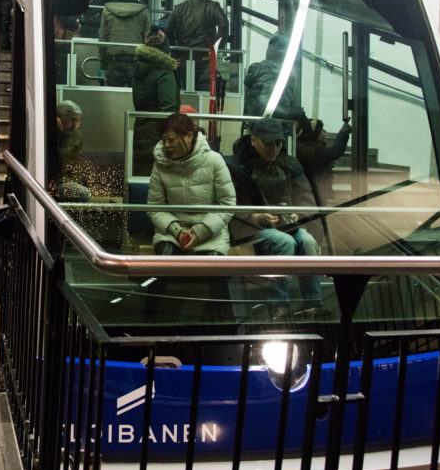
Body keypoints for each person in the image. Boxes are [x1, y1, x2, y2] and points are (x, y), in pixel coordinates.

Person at [226, 117, 321, 303]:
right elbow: (230, 203)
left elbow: (305, 196)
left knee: (307, 241)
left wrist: (298, 213)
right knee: (285, 242)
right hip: (250, 228)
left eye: (278, 143)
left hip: (286, 224)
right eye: (269, 143)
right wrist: (254, 217)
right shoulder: (237, 167)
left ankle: (313, 301)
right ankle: (279, 304)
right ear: (254, 140)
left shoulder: (289, 164)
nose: (274, 148)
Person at [148, 113, 236, 256]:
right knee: (167, 265)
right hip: (172, 234)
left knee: (209, 273)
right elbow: (155, 207)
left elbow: (227, 203)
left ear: (189, 136)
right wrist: (178, 231)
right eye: (163, 141)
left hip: (210, 235)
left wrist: (199, 232)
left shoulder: (214, 160)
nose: (167, 146)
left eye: (171, 140)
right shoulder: (160, 165)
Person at [166, 0, 228, 90]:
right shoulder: (213, 7)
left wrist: (175, 53)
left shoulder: (179, 8)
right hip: (205, 57)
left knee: (184, 92)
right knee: (204, 93)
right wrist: (215, 49)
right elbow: (223, 25)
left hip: (184, 57)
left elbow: (168, 31)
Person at [132, 27, 179, 175]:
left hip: (140, 128)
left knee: (141, 176)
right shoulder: (164, 72)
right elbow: (168, 110)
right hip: (158, 135)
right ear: (165, 50)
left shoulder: (139, 68)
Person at [99, 0, 151, 87]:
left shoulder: (107, 10)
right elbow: (149, 40)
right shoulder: (143, 11)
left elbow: (103, 38)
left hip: (114, 61)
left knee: (113, 98)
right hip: (136, 61)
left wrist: (103, 62)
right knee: (137, 99)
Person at [244, 33, 306, 123]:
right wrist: (297, 113)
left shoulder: (259, 68)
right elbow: (267, 106)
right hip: (268, 120)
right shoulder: (267, 70)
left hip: (261, 119)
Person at [296, 117, 352, 206]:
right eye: (321, 130)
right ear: (315, 134)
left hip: (309, 190)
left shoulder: (302, 147)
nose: (324, 132)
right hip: (316, 191)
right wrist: (343, 132)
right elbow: (336, 151)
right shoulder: (313, 152)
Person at [55, 99, 90, 202]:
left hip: (71, 178)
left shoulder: (76, 135)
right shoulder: (51, 133)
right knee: (84, 194)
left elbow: (76, 161)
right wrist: (60, 132)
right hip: (57, 181)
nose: (75, 124)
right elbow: (60, 160)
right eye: (72, 120)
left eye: (77, 121)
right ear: (60, 119)